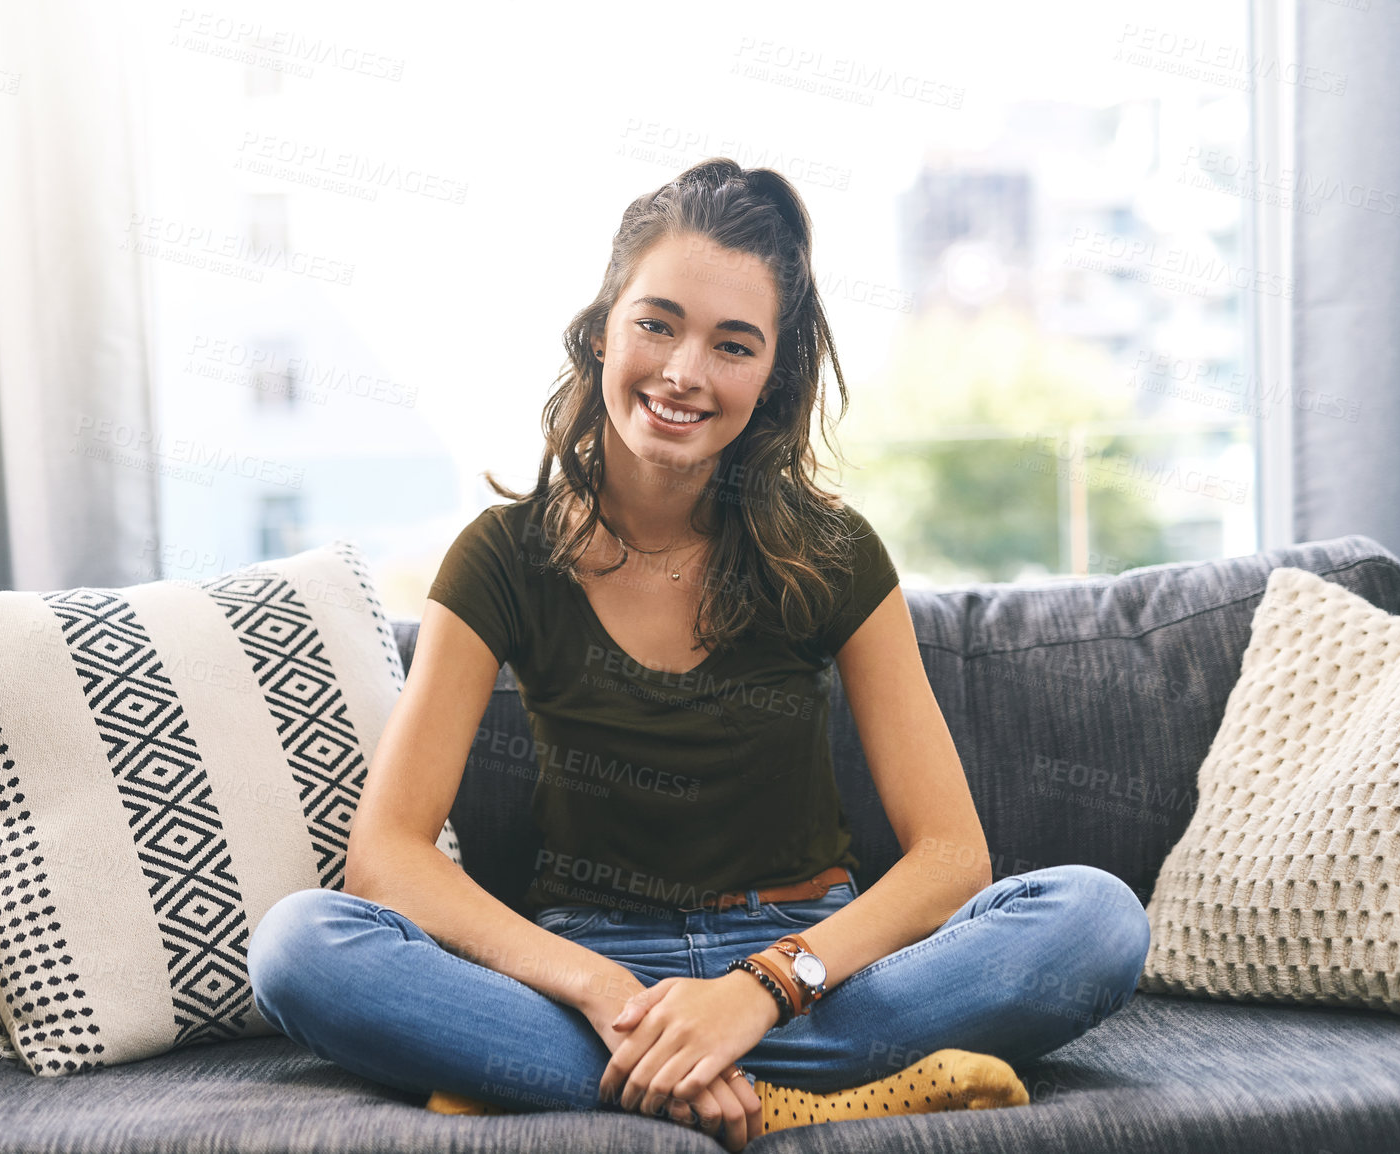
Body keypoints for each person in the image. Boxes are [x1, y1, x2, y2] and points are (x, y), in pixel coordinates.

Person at [247, 159, 1151, 1152]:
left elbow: (949, 853)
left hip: (811, 967)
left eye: (732, 344)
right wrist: (600, 990)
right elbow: (387, 853)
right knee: (301, 944)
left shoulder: (832, 551)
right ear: (602, 328)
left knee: (1095, 918)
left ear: (769, 379)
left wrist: (762, 989)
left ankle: (573, 1081)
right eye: (657, 322)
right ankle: (791, 1090)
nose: (684, 371)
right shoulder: (502, 556)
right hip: (595, 972)